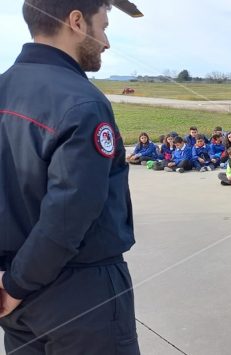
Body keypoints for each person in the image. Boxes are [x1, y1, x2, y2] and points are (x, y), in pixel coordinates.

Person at [0, 1, 140, 352]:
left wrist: (11, 285)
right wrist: (17, 284)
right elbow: (70, 213)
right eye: (103, 27)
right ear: (76, 22)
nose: (106, 42)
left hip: (12, 297)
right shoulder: (81, 102)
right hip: (80, 296)